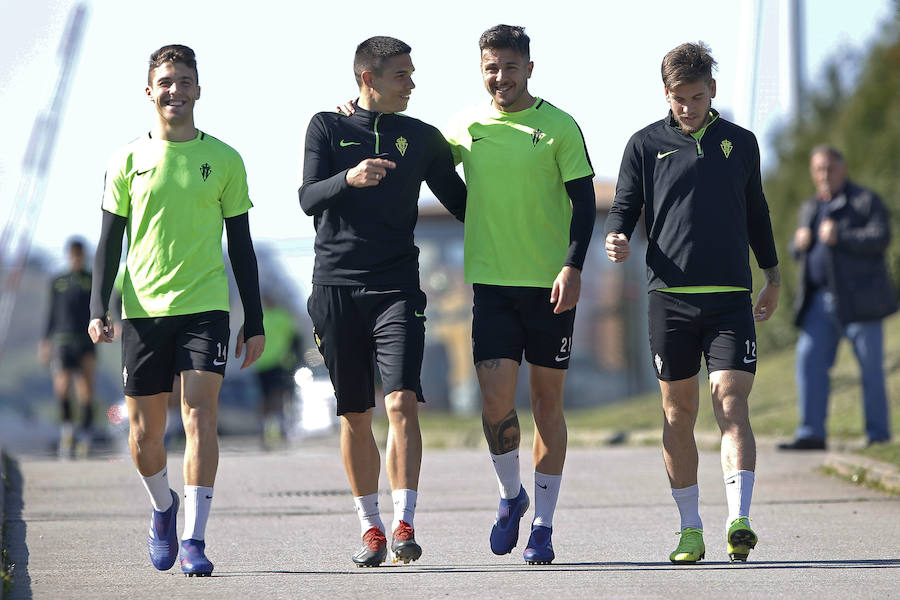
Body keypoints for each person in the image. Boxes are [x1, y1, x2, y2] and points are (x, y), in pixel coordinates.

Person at [88, 44, 265, 577]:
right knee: (143, 435)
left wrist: (252, 320)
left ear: (198, 90)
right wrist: (99, 305)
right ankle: (164, 508)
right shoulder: (126, 160)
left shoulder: (226, 159)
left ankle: (194, 538)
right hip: (142, 310)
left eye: (184, 81)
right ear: (150, 91)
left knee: (199, 416)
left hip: (205, 307)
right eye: (165, 82)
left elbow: (242, 248)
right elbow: (107, 244)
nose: (175, 91)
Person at [604, 41, 780, 564]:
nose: (688, 107)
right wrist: (616, 236)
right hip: (669, 300)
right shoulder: (643, 144)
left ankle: (739, 520)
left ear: (713, 91)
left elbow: (758, 215)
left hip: (729, 298)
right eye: (679, 98)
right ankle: (689, 528)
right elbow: (624, 206)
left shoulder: (741, 143)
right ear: (666, 93)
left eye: (697, 97)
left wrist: (771, 277)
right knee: (678, 414)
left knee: (730, 403)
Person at [298, 36, 466, 567]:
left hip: (396, 287)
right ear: (368, 79)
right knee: (355, 413)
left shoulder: (419, 137)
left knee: (400, 403)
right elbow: (306, 198)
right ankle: (369, 527)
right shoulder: (326, 126)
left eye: (412, 73)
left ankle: (404, 521)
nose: (412, 84)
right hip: (336, 288)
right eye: (402, 75)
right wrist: (347, 178)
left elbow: (466, 205)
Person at [443, 25, 596, 565]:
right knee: (494, 403)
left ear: (529, 68)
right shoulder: (466, 126)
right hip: (492, 288)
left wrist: (573, 267)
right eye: (491, 67)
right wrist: (362, 112)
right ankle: (512, 496)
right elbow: (426, 163)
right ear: (480, 69)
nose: (500, 77)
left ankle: (545, 528)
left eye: (509, 66)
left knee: (548, 405)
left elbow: (584, 206)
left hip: (550, 288)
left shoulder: (558, 127)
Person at [778, 145, 896, 450]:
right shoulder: (810, 208)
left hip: (860, 303)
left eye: (830, 168)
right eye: (818, 169)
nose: (824, 175)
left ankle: (879, 437)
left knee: (871, 370)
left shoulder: (864, 201)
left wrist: (840, 234)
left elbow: (881, 237)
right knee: (808, 362)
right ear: (812, 173)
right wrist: (797, 244)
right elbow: (798, 250)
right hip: (818, 303)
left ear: (843, 168)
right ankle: (811, 433)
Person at [39, 238, 95, 458]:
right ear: (68, 255)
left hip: (86, 340)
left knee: (86, 391)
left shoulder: (91, 280)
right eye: (73, 255)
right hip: (62, 341)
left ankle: (86, 436)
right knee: (62, 388)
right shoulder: (58, 281)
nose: (76, 259)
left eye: (80, 255)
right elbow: (51, 312)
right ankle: (67, 431)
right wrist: (45, 340)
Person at [254, 293, 304, 449]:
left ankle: (266, 432)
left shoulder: (260, 317)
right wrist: (295, 357)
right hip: (275, 362)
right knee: (276, 397)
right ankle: (277, 431)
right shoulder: (281, 316)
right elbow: (295, 338)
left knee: (266, 398)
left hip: (264, 362)